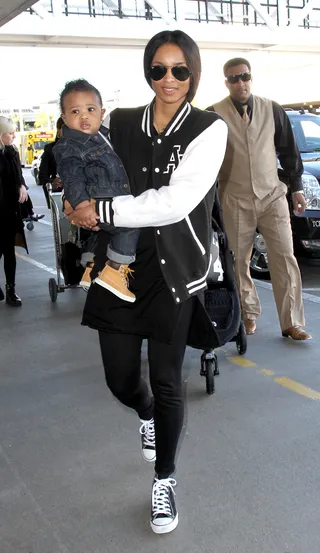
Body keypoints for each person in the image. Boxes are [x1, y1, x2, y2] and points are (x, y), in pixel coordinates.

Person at [64, 30, 227, 534]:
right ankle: (146, 412)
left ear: (194, 73)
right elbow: (82, 153)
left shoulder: (209, 128)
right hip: (121, 261)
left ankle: (165, 479)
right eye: (159, 69)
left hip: (174, 268)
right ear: (147, 72)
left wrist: (106, 208)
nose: (169, 79)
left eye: (180, 69)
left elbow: (178, 202)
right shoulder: (122, 121)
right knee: (119, 379)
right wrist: (77, 202)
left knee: (168, 377)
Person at [206, 57, 311, 340]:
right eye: (233, 78)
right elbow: (204, 160)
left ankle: (292, 322)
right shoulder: (214, 114)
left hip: (273, 196)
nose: (240, 82)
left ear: (251, 78)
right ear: (226, 82)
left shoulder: (272, 109)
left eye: (244, 76)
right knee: (238, 261)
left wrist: (297, 187)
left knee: (284, 257)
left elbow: (289, 151)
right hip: (235, 198)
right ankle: (248, 315)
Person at [53, 79, 140, 301]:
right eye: (75, 111)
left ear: (102, 112)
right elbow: (72, 177)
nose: (84, 116)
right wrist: (81, 206)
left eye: (90, 109)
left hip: (108, 199)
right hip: (101, 202)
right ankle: (114, 269)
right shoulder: (70, 145)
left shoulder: (102, 134)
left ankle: (91, 267)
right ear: (64, 118)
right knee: (129, 226)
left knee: (104, 232)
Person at [0, 116, 29, 306]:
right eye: (9, 133)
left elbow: (18, 175)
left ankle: (11, 289)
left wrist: (22, 186)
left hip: (10, 210)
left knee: (9, 252)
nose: (13, 136)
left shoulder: (13, 152)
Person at [39, 117, 64, 208]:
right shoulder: (50, 150)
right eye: (64, 128)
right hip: (61, 198)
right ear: (58, 131)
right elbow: (42, 176)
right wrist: (53, 182)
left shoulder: (85, 148)